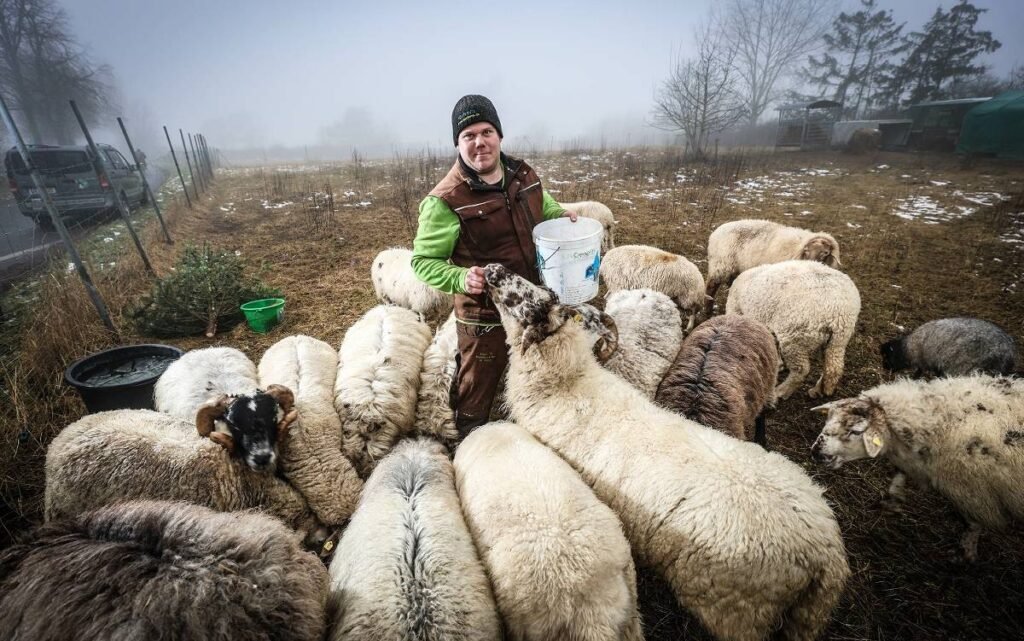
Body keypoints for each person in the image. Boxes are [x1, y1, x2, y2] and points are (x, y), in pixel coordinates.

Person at [411, 94, 577, 441]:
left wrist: (560, 213)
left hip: (534, 302)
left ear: (499, 134)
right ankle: (469, 442)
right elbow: (423, 262)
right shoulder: (445, 201)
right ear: (458, 143)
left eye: (486, 131)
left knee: (542, 372)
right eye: (468, 135)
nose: (480, 142)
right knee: (477, 389)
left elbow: (542, 205)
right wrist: (461, 277)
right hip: (485, 315)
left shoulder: (522, 173)